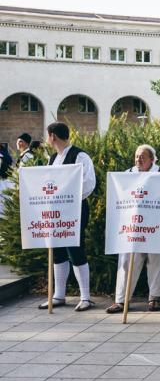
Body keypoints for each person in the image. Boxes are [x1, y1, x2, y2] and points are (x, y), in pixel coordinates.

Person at [39, 122, 96, 311]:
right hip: (56, 211)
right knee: (58, 250)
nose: (47, 139)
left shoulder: (80, 155)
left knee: (75, 248)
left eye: (48, 135)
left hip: (75, 209)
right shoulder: (53, 158)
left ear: (53, 136)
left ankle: (85, 297)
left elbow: (89, 183)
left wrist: (68, 198)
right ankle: (58, 295)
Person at [106, 144, 160, 314]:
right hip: (132, 226)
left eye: (143, 156)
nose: (138, 159)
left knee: (156, 261)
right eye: (136, 156)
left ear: (152, 159)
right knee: (126, 262)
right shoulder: (127, 175)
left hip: (154, 226)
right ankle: (121, 300)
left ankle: (155, 298)